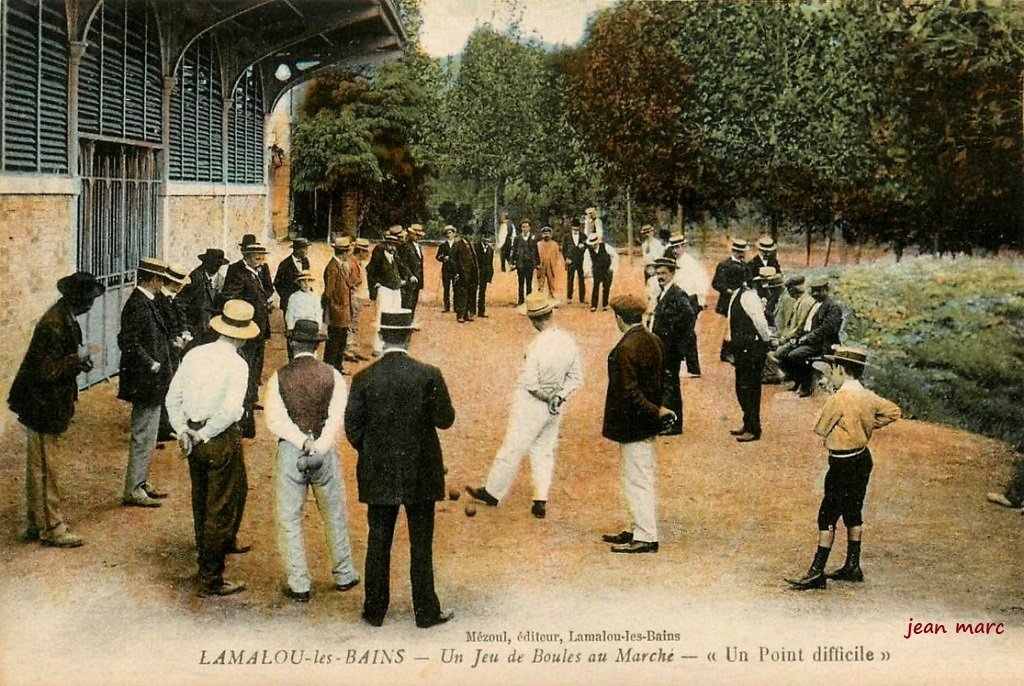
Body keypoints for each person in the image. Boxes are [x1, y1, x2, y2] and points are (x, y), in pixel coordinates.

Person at [345, 309, 456, 628]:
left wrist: (372, 451)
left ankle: (375, 610)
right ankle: (426, 611)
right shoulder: (429, 374)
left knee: (378, 539)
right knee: (421, 543)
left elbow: (352, 427)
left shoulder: (363, 378)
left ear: (382, 336)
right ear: (409, 336)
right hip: (422, 470)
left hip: (378, 472)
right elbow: (445, 420)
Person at [785, 346, 901, 590]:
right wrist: (867, 425)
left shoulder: (838, 399)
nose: (830, 375)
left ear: (840, 369)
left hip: (841, 462)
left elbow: (821, 428)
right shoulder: (867, 395)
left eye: (832, 370)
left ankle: (817, 571)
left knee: (827, 514)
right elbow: (893, 411)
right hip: (861, 458)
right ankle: (852, 565)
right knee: (853, 510)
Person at [166, 299, 259, 597]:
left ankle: (215, 545)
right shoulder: (238, 364)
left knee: (204, 496)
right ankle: (210, 576)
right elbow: (231, 411)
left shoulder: (195, 355)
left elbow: (173, 397)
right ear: (243, 335)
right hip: (217, 437)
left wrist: (184, 430)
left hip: (192, 434)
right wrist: (203, 434)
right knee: (220, 504)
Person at [264, 319, 360, 602]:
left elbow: (274, 420)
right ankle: (344, 573)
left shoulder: (278, 377)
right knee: (334, 512)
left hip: (292, 451)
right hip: (324, 449)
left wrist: (302, 441)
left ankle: (299, 583)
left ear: (293, 344)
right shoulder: (333, 375)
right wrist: (318, 444)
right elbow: (336, 417)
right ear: (317, 346)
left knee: (289, 518)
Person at [8, 272, 104, 547]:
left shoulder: (64, 317)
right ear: (79, 301)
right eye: (89, 300)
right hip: (42, 404)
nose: (92, 305)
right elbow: (47, 370)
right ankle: (52, 527)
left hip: (42, 402)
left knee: (39, 466)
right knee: (48, 468)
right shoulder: (55, 324)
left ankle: (36, 521)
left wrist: (79, 362)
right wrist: (79, 359)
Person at [466, 293, 583, 518]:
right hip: (555, 406)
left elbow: (530, 384)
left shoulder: (536, 346)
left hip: (531, 404)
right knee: (544, 450)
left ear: (534, 319)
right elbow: (576, 377)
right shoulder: (568, 340)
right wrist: (559, 396)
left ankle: (493, 491)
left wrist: (547, 397)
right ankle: (540, 499)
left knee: (513, 447)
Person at [601, 295, 676, 554]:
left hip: (633, 424)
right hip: (645, 424)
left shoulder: (624, 348)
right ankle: (636, 527)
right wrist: (659, 410)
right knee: (635, 476)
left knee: (637, 479)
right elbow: (665, 379)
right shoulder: (653, 340)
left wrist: (656, 411)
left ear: (619, 318)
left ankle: (645, 535)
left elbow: (630, 393)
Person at [118, 258, 174, 508]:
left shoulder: (147, 302)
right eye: (160, 280)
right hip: (145, 381)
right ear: (152, 280)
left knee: (150, 435)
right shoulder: (138, 305)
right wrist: (150, 362)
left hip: (154, 380)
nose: (162, 285)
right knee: (143, 435)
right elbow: (128, 342)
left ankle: (141, 481)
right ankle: (133, 487)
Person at [219, 239, 272, 438]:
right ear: (247, 257)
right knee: (246, 370)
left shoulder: (257, 272)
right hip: (247, 331)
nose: (260, 260)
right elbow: (230, 297)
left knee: (255, 370)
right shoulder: (240, 274)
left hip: (258, 330)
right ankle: (243, 414)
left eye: (262, 257)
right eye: (257, 257)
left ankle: (249, 403)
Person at [727, 267, 779, 442]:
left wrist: (767, 340)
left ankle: (754, 428)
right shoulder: (737, 294)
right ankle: (747, 422)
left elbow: (760, 322)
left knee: (751, 389)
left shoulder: (748, 296)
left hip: (752, 349)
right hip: (742, 349)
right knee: (741, 388)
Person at [648, 258, 696, 436]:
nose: (660, 277)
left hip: (670, 350)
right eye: (658, 273)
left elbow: (689, 316)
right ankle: (666, 421)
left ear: (672, 274)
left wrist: (676, 341)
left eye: (663, 273)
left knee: (671, 386)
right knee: (664, 385)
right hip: (662, 348)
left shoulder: (677, 294)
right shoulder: (662, 293)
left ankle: (674, 424)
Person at [777, 276, 843, 397]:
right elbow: (805, 326)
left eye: (818, 291)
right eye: (813, 291)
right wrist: (795, 338)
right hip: (808, 340)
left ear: (826, 290)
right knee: (781, 353)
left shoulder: (833, 306)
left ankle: (807, 384)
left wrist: (807, 338)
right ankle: (798, 379)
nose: (815, 294)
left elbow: (827, 329)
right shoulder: (815, 305)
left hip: (822, 344)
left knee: (795, 355)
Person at [667, 233, 709, 377]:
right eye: (673, 247)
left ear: (684, 247)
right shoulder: (673, 262)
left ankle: (693, 368)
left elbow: (702, 281)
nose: (676, 250)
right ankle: (683, 365)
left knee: (688, 333)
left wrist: (701, 301)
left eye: (678, 247)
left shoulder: (690, 263)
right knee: (678, 332)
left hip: (690, 300)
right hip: (678, 300)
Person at [176, 248, 228, 346]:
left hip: (213, 330)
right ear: (205, 263)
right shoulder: (196, 278)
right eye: (213, 264)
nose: (216, 267)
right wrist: (185, 329)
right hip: (196, 330)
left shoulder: (221, 280)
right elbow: (180, 304)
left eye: (218, 265)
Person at [712, 239, 750, 362]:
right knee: (727, 327)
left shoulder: (745, 265)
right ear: (733, 251)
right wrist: (727, 290)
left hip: (741, 300)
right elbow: (716, 283)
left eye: (742, 252)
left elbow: (749, 280)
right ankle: (725, 353)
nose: (741, 254)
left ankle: (734, 351)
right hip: (727, 301)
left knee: (739, 326)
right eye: (738, 251)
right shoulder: (724, 265)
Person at [322, 237, 355, 373]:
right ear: (344, 252)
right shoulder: (333, 268)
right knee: (334, 342)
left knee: (341, 340)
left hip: (343, 310)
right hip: (336, 310)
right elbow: (329, 292)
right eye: (348, 252)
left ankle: (337, 366)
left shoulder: (341, 265)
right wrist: (333, 309)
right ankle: (331, 367)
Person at [273, 237, 310, 320]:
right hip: (289, 302)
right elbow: (277, 283)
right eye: (304, 249)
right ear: (296, 250)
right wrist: (286, 297)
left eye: (307, 248)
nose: (306, 251)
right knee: (290, 326)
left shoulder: (305, 261)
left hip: (302, 301)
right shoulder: (285, 264)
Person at [347, 237, 372, 361]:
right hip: (354, 297)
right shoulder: (353, 263)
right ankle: (349, 349)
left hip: (359, 296)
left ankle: (353, 348)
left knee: (356, 323)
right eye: (366, 252)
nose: (368, 254)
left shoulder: (359, 263)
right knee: (352, 323)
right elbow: (352, 281)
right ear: (360, 251)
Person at [451, 228, 479, 323]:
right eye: (468, 234)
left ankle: (466, 314)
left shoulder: (469, 244)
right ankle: (460, 315)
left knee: (470, 293)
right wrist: (456, 272)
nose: (470, 236)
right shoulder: (458, 243)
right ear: (464, 234)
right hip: (462, 272)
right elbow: (453, 259)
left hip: (471, 273)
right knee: (461, 294)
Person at [511, 220, 540, 305]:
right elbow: (514, 250)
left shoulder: (533, 238)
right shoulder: (517, 238)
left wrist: (538, 263)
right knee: (521, 282)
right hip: (520, 263)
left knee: (529, 282)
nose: (525, 229)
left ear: (529, 227)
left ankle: (529, 300)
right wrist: (513, 262)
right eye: (523, 227)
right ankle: (520, 300)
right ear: (521, 228)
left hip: (530, 263)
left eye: (526, 227)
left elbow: (536, 251)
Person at [399, 224, 425, 314]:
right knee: (407, 302)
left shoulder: (418, 246)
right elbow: (404, 263)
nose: (418, 237)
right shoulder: (406, 246)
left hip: (417, 278)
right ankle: (405, 324)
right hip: (410, 278)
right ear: (411, 234)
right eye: (416, 235)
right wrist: (410, 275)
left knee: (414, 302)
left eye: (419, 236)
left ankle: (410, 322)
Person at [562, 217, 588, 304]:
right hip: (571, 260)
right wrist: (566, 258)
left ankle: (582, 298)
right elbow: (564, 249)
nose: (576, 229)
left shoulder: (583, 236)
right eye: (574, 227)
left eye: (577, 227)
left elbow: (588, 247)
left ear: (579, 227)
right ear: (571, 227)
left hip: (581, 260)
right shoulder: (566, 236)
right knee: (570, 279)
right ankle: (569, 297)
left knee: (581, 279)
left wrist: (583, 246)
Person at [586, 235, 613, 312]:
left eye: (594, 244)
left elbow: (614, 256)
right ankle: (594, 305)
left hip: (606, 270)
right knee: (595, 286)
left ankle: (605, 304)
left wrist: (612, 267)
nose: (593, 246)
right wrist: (588, 272)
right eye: (591, 244)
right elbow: (587, 261)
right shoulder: (588, 251)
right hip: (596, 270)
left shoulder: (606, 247)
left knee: (606, 286)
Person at [435, 226, 457, 312]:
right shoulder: (443, 246)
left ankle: (456, 307)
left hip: (455, 270)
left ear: (454, 234)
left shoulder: (457, 245)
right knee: (446, 288)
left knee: (456, 289)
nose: (449, 235)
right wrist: (443, 258)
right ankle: (446, 307)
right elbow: (437, 256)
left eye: (450, 233)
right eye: (447, 233)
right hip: (446, 270)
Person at [473, 231, 495, 318]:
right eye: (485, 238)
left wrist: (490, 275)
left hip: (485, 273)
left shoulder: (490, 250)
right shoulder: (476, 247)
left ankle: (481, 311)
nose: (487, 240)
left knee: (482, 293)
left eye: (488, 238)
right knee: (473, 291)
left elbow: (490, 263)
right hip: (477, 273)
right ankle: (472, 310)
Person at [536, 226, 561, 297]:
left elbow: (557, 256)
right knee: (540, 283)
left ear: (551, 234)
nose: (546, 235)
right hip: (541, 265)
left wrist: (554, 264)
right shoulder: (538, 244)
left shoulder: (555, 244)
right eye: (544, 233)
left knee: (551, 283)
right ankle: (540, 298)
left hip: (551, 265)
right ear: (542, 235)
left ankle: (552, 298)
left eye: (548, 233)